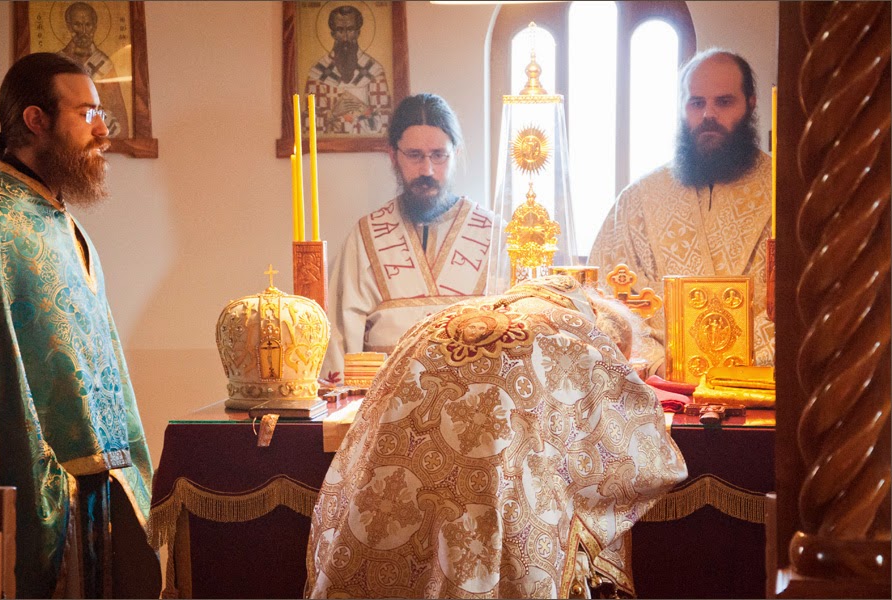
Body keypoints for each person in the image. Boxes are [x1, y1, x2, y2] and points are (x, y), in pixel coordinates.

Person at [306, 274, 688, 598]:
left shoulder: (444, 316)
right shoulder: (576, 332)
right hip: (495, 490)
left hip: (394, 481)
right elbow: (637, 446)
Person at [0, 52, 158, 597]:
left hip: (96, 491)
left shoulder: (60, 220)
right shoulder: (0, 221)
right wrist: (37, 484)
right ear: (36, 120)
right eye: (87, 113)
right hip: (40, 492)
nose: (103, 131)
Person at [589, 48, 774, 376]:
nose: (708, 115)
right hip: (661, 387)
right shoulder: (640, 199)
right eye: (697, 103)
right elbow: (605, 300)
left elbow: (804, 301)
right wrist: (659, 365)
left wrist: (739, 365)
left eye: (724, 102)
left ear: (751, 103)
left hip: (759, 382)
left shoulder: (784, 192)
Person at [324, 93, 495, 380]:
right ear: (393, 155)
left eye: (438, 155)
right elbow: (339, 336)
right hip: (384, 401)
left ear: (456, 154)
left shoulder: (494, 234)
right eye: (414, 155)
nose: (427, 170)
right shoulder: (366, 237)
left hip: (475, 399)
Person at [304, 4, 391, 135]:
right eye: (340, 30)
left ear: (358, 33)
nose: (345, 37)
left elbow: (386, 121)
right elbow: (306, 124)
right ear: (333, 34)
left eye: (350, 30)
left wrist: (362, 110)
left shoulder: (373, 70)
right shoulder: (318, 73)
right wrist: (333, 114)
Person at [58, 1, 130, 138]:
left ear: (95, 26)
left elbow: (117, 106)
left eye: (88, 25)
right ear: (69, 26)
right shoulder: (58, 62)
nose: (83, 31)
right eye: (77, 24)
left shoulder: (104, 64)